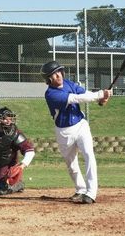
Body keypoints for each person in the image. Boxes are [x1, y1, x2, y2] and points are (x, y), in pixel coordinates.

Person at [40, 61, 112, 204]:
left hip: (81, 125)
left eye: (59, 72)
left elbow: (84, 94)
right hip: (64, 132)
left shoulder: (69, 84)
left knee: (89, 155)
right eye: (53, 74)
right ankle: (80, 189)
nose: (58, 75)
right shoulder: (51, 94)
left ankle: (91, 193)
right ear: (48, 79)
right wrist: (99, 95)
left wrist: (102, 97)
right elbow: (75, 98)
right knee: (71, 164)